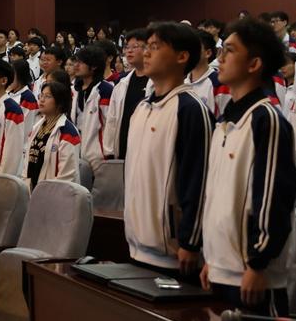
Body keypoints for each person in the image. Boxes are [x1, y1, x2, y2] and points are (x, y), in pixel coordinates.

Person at [200, 18, 296, 317]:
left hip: (254, 275)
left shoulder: (266, 120)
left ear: (254, 64)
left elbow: (273, 200)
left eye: (230, 51)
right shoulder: (224, 121)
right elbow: (218, 196)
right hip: (222, 268)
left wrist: (258, 264)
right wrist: (212, 258)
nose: (221, 58)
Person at [124, 22, 213, 276]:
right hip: (136, 244)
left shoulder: (191, 109)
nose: (146, 53)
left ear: (182, 56)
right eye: (146, 47)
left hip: (174, 253)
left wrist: (191, 242)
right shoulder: (142, 108)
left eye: (154, 47)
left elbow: (199, 180)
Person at [103, 28, 152, 159]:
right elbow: (112, 120)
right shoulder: (121, 83)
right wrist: (109, 151)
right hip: (123, 149)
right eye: (126, 47)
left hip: (145, 151)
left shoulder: (156, 82)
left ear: (148, 49)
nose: (129, 51)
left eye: (135, 47)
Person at [25, 81, 80, 189]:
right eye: (41, 95)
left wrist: (49, 194)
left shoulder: (68, 133)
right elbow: (27, 162)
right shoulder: (37, 127)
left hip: (56, 193)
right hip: (33, 189)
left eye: (48, 96)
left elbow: (67, 176)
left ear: (60, 102)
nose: (42, 99)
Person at [71, 45, 114, 171]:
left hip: (98, 157)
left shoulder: (105, 90)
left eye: (81, 62)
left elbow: (111, 124)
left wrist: (107, 152)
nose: (76, 65)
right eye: (76, 61)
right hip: (76, 152)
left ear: (94, 66)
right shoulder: (74, 90)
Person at [185, 29, 231, 118]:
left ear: (208, 53)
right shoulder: (182, 83)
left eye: (194, 48)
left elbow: (227, 120)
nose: (189, 52)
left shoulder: (219, 83)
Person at [8, 60, 39, 155]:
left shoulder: (28, 98)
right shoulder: (8, 93)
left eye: (12, 75)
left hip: (20, 148)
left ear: (20, 76)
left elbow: (25, 129)